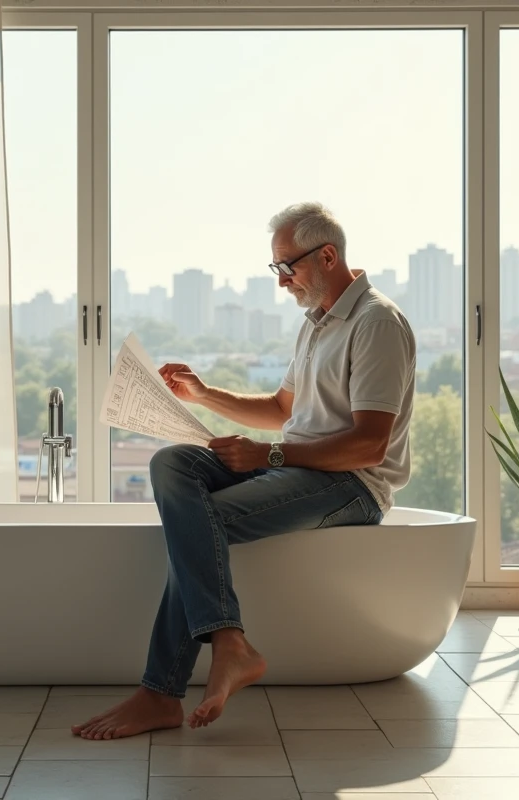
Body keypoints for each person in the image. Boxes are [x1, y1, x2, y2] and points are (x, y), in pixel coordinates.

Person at [73, 202, 416, 740]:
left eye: (287, 267)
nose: (281, 282)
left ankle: (161, 692)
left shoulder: (377, 324)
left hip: (352, 486)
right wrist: (204, 394)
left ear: (327, 256)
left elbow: (371, 446)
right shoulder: (317, 324)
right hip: (300, 469)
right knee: (173, 463)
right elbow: (283, 411)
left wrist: (270, 456)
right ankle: (228, 641)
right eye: (275, 269)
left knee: (200, 523)